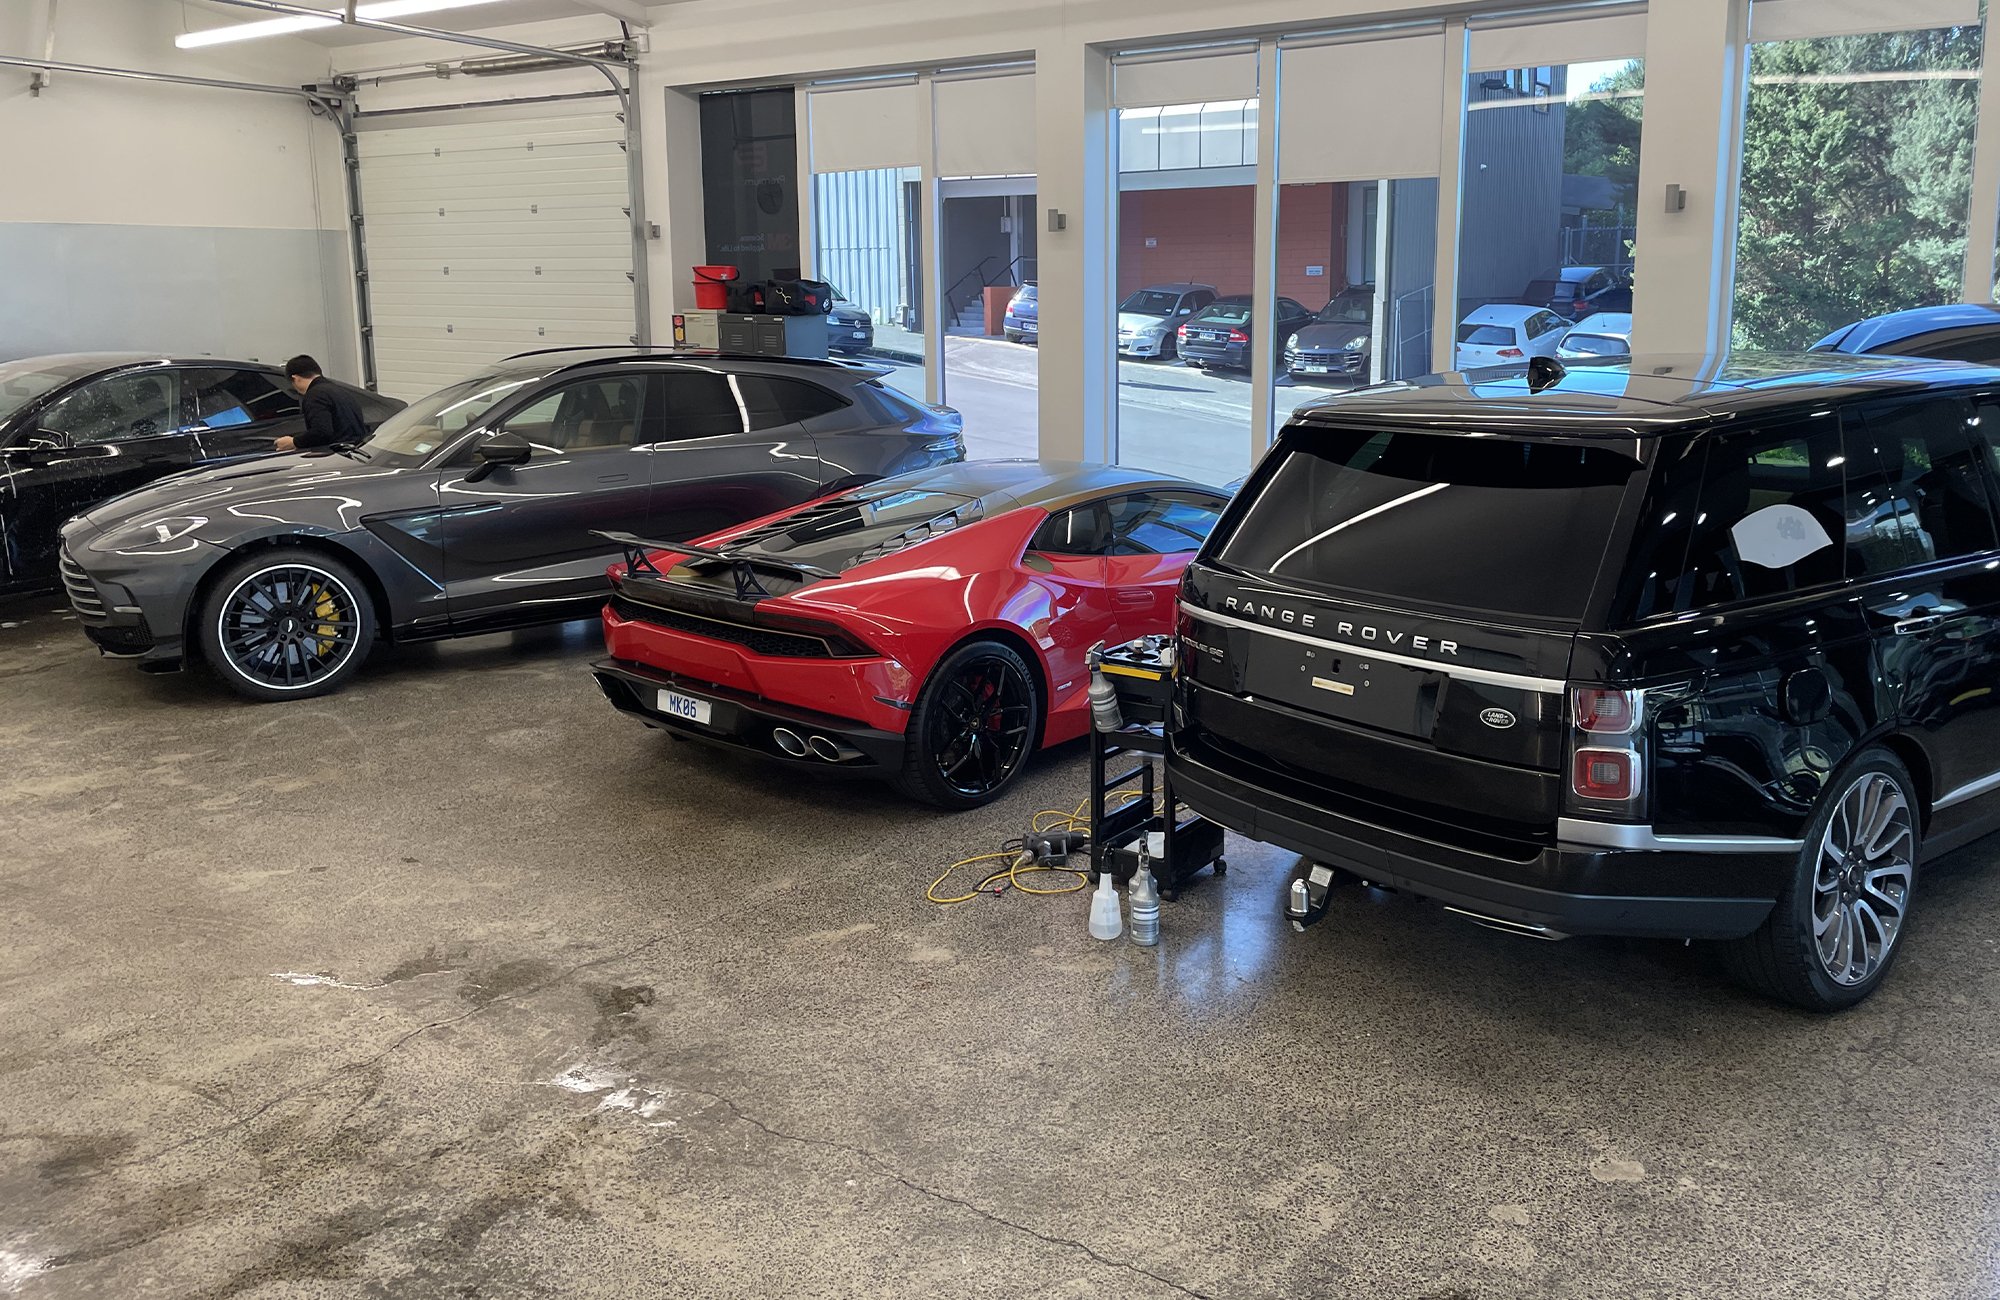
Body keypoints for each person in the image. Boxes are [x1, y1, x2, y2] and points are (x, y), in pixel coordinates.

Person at [274, 354, 367, 452]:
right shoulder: (341, 391)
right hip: (356, 452)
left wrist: (294, 442)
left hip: (335, 455)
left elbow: (322, 432)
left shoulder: (315, 395)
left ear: (295, 378)